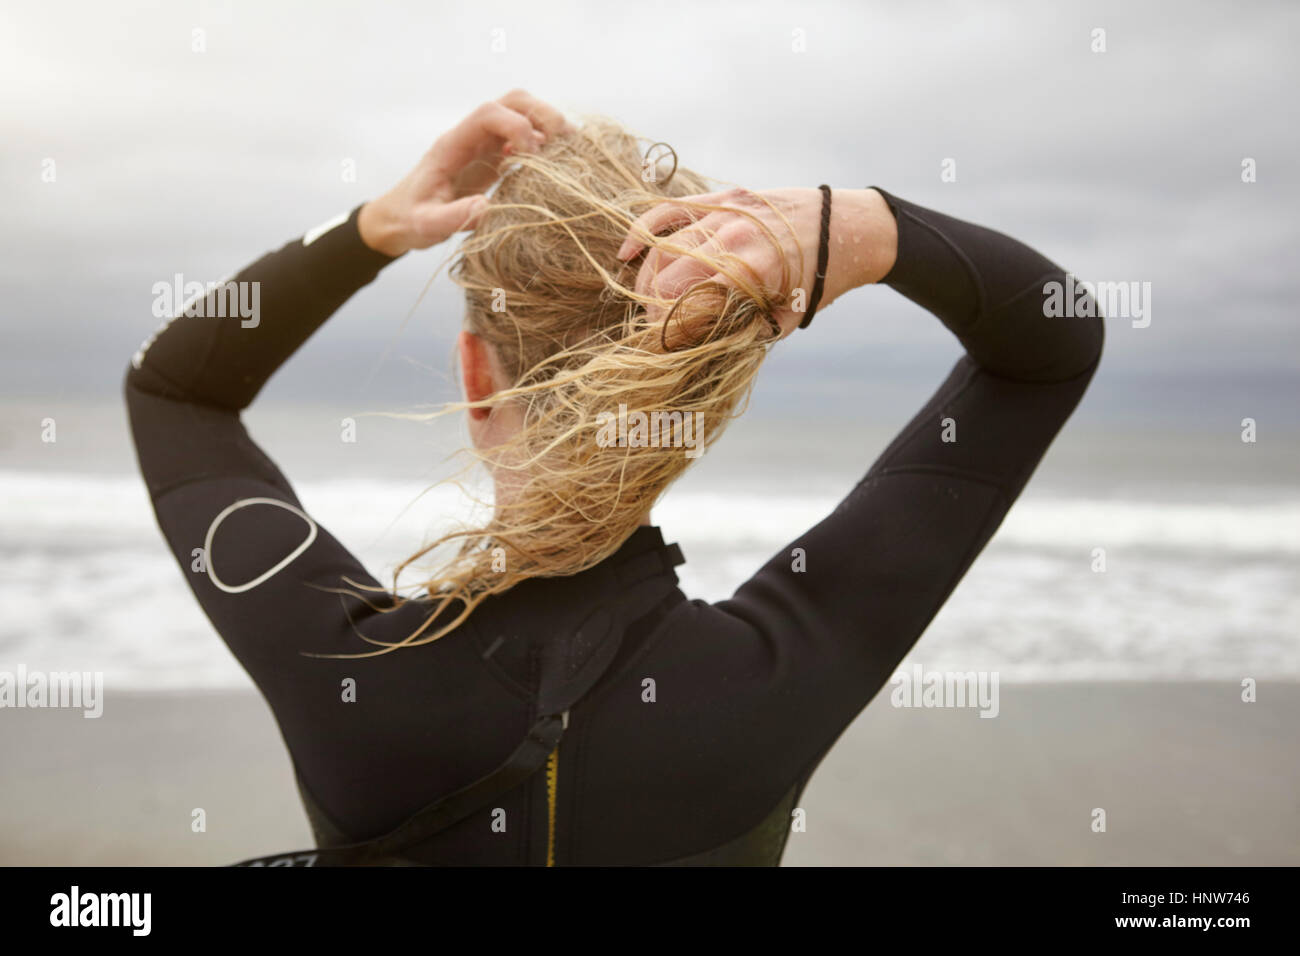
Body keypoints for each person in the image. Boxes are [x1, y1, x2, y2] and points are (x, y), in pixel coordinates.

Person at [125, 90, 1103, 865]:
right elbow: (1047, 343)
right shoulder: (779, 670)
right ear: (701, 393)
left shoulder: (341, 667)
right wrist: (862, 226)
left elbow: (175, 392)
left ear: (475, 376)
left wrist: (377, 227)